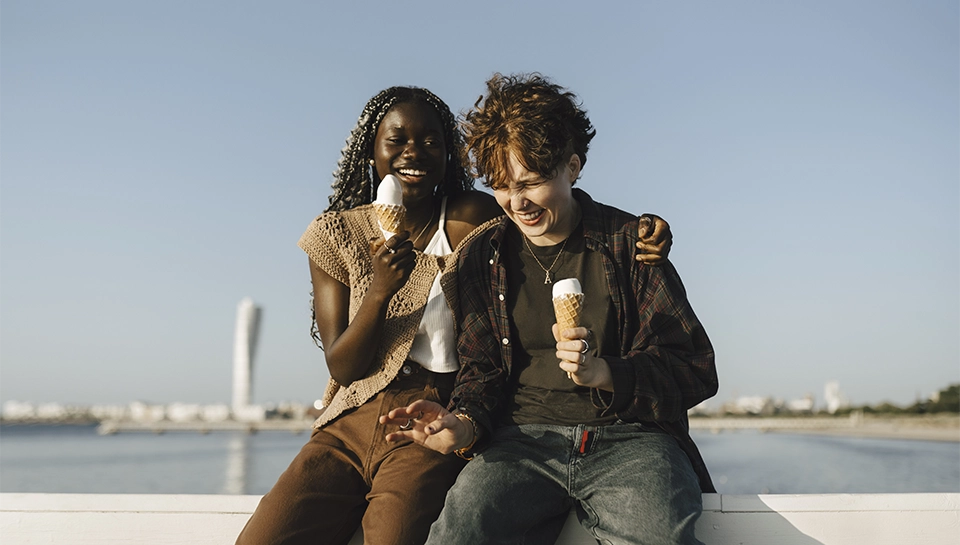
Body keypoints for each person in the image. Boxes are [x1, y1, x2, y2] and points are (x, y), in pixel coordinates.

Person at [236, 86, 675, 545]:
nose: (414, 152)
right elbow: (343, 367)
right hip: (355, 413)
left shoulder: (476, 219)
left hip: (435, 407)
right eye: (397, 139)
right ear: (371, 150)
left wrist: (641, 229)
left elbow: (552, 202)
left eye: (431, 142)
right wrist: (381, 291)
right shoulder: (337, 234)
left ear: (450, 157)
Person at [382, 73, 718, 545]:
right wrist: (461, 422)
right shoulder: (483, 257)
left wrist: (606, 373)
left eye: (532, 182)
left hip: (635, 442)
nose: (517, 203)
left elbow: (696, 369)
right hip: (521, 443)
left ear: (573, 166)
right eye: (500, 186)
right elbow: (482, 372)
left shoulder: (632, 245)